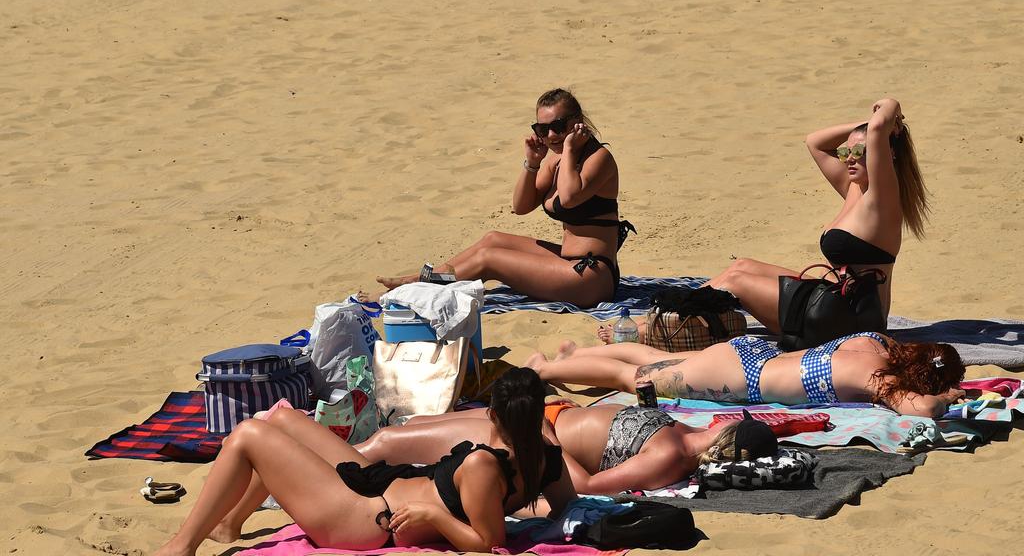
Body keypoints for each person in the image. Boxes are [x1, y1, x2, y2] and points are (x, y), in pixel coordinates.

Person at [600, 97, 926, 342]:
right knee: (741, 266)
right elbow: (815, 141)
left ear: (886, 151)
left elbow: (883, 118)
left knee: (736, 284)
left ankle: (652, 325)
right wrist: (861, 129)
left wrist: (887, 116)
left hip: (854, 323)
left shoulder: (882, 198)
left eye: (862, 151)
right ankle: (664, 316)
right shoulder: (854, 187)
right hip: (836, 301)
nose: (851, 159)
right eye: (848, 153)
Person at [152, 368, 575, 556]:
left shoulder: (485, 467)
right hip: (378, 484)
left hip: (368, 518)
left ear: (495, 414)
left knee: (248, 435)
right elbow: (565, 506)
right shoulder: (547, 456)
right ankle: (229, 523)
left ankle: (181, 547)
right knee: (283, 419)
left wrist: (434, 514)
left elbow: (489, 543)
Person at [377, 88, 633, 307]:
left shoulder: (598, 159)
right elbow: (520, 207)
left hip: (591, 277)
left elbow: (568, 198)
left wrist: (568, 149)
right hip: (570, 264)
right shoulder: (555, 160)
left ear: (577, 123)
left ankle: (414, 291)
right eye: (542, 129)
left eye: (558, 126)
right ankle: (425, 278)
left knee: (489, 260)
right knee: (493, 239)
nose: (551, 136)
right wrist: (533, 163)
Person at [357, 398, 757, 496]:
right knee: (418, 425)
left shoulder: (672, 457)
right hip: (539, 415)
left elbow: (586, 485)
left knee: (387, 443)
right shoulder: (687, 428)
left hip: (525, 437)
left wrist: (545, 438)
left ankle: (313, 468)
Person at [526, 334, 967, 417]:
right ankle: (546, 367)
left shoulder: (878, 343)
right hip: (744, 379)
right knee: (638, 378)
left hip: (751, 353)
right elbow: (925, 409)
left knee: (660, 359)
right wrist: (946, 396)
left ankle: (576, 354)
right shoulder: (881, 381)